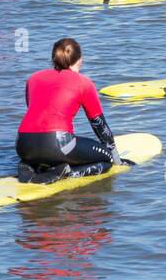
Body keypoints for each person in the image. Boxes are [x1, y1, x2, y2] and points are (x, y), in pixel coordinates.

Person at [16, 38, 125, 184]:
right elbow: (99, 126)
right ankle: (67, 173)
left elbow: (35, 113)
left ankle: (30, 165)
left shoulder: (33, 78)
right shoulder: (84, 83)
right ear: (80, 59)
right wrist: (117, 161)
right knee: (107, 160)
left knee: (53, 150)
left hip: (23, 145)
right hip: (57, 143)